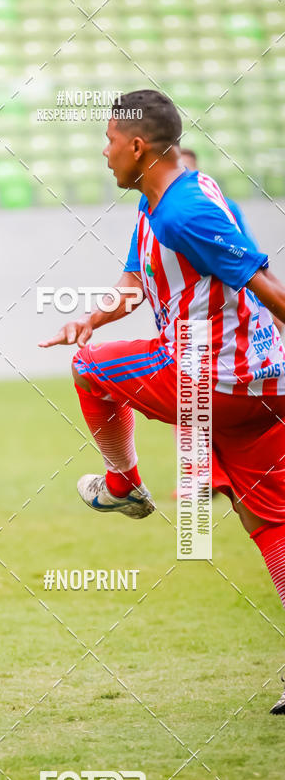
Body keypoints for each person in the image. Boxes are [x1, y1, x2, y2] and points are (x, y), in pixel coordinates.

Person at [40, 89, 285, 714]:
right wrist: (92, 318)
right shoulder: (162, 200)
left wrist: (91, 342)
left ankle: (124, 486)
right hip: (259, 385)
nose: (104, 152)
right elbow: (133, 283)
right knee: (267, 522)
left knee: (90, 369)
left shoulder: (182, 213)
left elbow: (264, 283)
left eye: (109, 140)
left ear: (137, 145)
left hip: (214, 378)